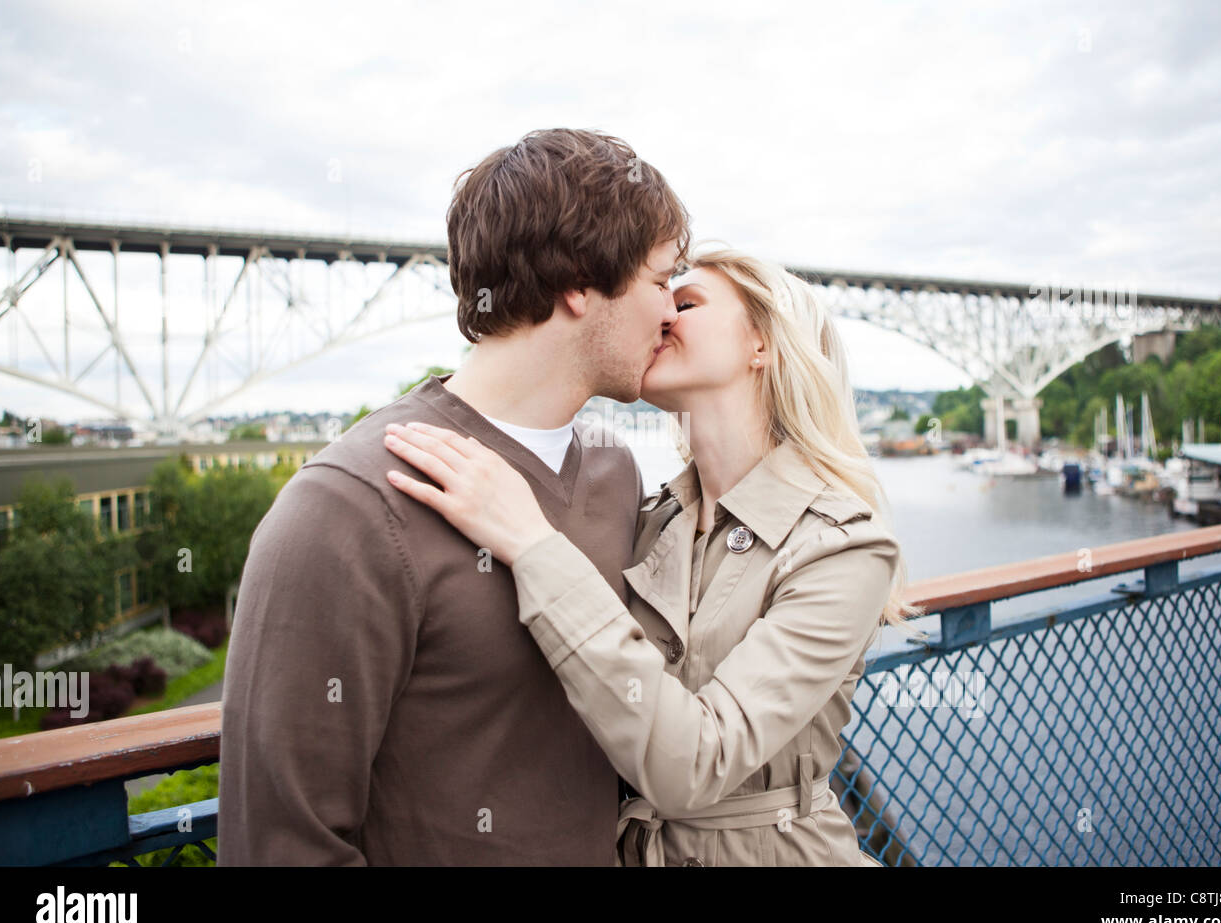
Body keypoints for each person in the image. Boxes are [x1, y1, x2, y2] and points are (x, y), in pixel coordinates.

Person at [217, 128, 691, 864]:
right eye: (663, 281)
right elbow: (282, 843)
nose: (674, 313)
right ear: (577, 283)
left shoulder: (612, 470)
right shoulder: (345, 508)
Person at [382, 247, 923, 866]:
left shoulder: (844, 547)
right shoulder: (648, 517)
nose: (661, 312)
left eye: (686, 301)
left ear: (762, 345)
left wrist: (532, 543)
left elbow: (697, 763)